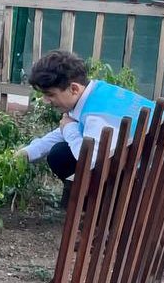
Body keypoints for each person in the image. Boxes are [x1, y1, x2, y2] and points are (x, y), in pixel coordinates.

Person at [19, 50, 155, 208]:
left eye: (50, 94)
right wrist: (27, 153)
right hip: (157, 164)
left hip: (145, 179)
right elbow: (63, 131)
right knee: (62, 149)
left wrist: (70, 129)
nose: (46, 101)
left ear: (74, 89)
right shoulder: (97, 93)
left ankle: (103, 213)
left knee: (60, 155)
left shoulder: (96, 117)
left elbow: (91, 161)